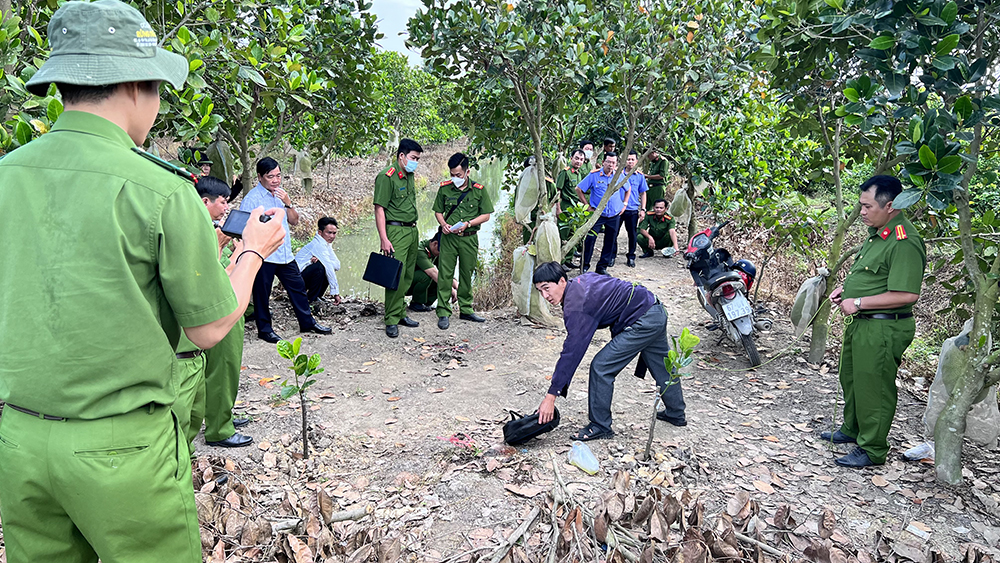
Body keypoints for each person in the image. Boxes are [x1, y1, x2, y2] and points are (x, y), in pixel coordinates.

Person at [0, 2, 286, 561]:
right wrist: (253, 251)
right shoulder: (159, 190)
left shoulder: (8, 176)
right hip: (121, 451)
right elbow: (209, 327)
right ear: (136, 86)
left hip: (19, 442)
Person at [824, 175, 926, 468]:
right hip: (863, 322)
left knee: (874, 386)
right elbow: (875, 276)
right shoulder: (879, 232)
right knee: (852, 378)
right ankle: (852, 429)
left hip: (883, 326)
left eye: (868, 207)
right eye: (861, 206)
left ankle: (872, 449)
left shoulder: (904, 241)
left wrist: (857, 302)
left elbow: (907, 293)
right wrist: (848, 290)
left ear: (890, 205)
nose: (862, 212)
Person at [533, 262, 687, 440]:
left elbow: (571, 353)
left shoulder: (577, 304)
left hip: (642, 320)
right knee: (662, 364)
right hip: (654, 308)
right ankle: (676, 413)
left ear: (561, 281)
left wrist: (552, 395)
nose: (545, 295)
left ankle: (600, 425)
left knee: (601, 367)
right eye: (540, 291)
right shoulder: (581, 281)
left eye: (547, 288)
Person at [240, 157, 332, 343]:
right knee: (262, 293)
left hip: (284, 253)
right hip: (264, 254)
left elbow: (294, 220)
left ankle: (307, 322)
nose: (275, 180)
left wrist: (288, 203)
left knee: (297, 288)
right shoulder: (252, 199)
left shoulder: (281, 194)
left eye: (278, 175)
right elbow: (244, 227)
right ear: (259, 177)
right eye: (270, 176)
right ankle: (264, 330)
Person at [194, 176, 255, 449]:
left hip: (228, 306)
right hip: (219, 310)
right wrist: (244, 255)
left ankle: (222, 415)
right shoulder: (199, 233)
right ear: (204, 201)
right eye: (222, 202)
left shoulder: (210, 229)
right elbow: (216, 277)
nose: (225, 208)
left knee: (227, 369)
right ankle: (219, 429)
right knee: (221, 369)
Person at [433, 152, 494, 329]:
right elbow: (438, 211)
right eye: (452, 175)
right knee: (445, 275)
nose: (454, 178)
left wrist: (468, 224)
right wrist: (443, 223)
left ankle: (466, 309)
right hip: (449, 238)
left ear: (467, 172)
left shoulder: (479, 190)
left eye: (458, 175)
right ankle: (443, 311)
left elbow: (486, 215)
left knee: (467, 273)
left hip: (469, 238)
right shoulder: (444, 188)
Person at [375, 139, 424, 338]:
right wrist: (384, 238)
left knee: (407, 276)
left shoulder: (409, 175)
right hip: (396, 231)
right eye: (413, 158)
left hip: (412, 230)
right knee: (395, 275)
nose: (415, 162)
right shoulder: (387, 177)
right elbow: (379, 209)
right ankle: (391, 319)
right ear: (401, 156)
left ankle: (401, 311)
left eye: (418, 159)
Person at [576, 152, 629, 275]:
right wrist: (586, 205)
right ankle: (585, 265)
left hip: (614, 214)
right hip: (597, 214)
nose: (611, 165)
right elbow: (579, 189)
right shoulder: (594, 175)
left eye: (613, 163)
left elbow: (628, 189)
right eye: (609, 162)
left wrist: (625, 204)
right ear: (604, 162)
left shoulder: (618, 175)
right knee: (590, 239)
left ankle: (602, 267)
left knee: (610, 240)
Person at [407, 232, 459, 312]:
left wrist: (457, 285)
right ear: (435, 244)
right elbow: (433, 273)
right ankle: (416, 303)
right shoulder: (420, 251)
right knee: (426, 276)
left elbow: (443, 273)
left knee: (439, 278)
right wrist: (451, 290)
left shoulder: (436, 253)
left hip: (413, 282)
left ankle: (426, 303)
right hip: (404, 284)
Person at [295, 216, 342, 304]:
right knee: (321, 267)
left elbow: (337, 265)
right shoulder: (318, 244)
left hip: (305, 276)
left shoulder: (326, 244)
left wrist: (323, 261)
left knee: (324, 265)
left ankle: (318, 296)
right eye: (329, 233)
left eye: (334, 233)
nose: (332, 236)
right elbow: (329, 268)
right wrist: (336, 293)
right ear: (320, 233)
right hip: (297, 280)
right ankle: (311, 298)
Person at [616, 150, 649, 267]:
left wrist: (643, 209)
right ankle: (611, 256)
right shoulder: (618, 174)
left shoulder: (639, 176)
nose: (629, 162)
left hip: (632, 209)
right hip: (618, 209)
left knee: (632, 234)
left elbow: (643, 193)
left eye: (632, 160)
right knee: (614, 233)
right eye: (627, 159)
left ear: (636, 161)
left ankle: (631, 256)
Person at [555, 149, 587, 268]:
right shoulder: (565, 172)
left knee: (573, 235)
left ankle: (568, 260)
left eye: (581, 159)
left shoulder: (578, 174)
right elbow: (558, 191)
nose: (578, 161)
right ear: (571, 158)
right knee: (563, 235)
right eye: (576, 158)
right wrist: (558, 209)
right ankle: (561, 262)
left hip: (576, 208)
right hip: (566, 207)